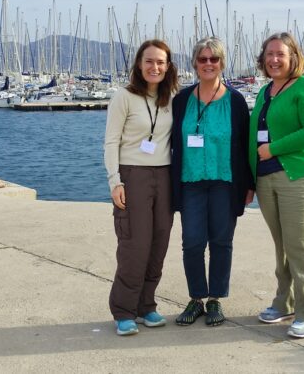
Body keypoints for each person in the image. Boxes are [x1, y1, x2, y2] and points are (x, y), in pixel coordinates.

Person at [248, 32, 304, 339]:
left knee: (301, 245)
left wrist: (273, 149)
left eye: (280, 54)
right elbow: (253, 135)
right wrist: (250, 177)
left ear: (293, 57)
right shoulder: (266, 91)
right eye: (269, 54)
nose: (274, 59)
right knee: (282, 244)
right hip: (266, 177)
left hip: (301, 175)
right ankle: (285, 302)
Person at [170, 37, 254, 326]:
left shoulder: (236, 101)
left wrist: (249, 185)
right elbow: (170, 142)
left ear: (221, 63)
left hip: (225, 182)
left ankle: (215, 299)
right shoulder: (181, 100)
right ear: (194, 63)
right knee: (192, 242)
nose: (208, 64)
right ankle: (196, 299)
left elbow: (246, 146)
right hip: (190, 181)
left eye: (214, 59)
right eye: (203, 59)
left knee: (221, 241)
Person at [103, 39, 179, 336]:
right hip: (132, 175)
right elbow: (111, 141)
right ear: (138, 64)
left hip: (165, 176)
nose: (155, 67)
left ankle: (146, 305)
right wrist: (115, 181)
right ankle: (124, 310)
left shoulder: (171, 97)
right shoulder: (124, 97)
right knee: (134, 245)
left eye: (160, 62)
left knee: (159, 243)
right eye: (149, 61)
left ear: (168, 66)